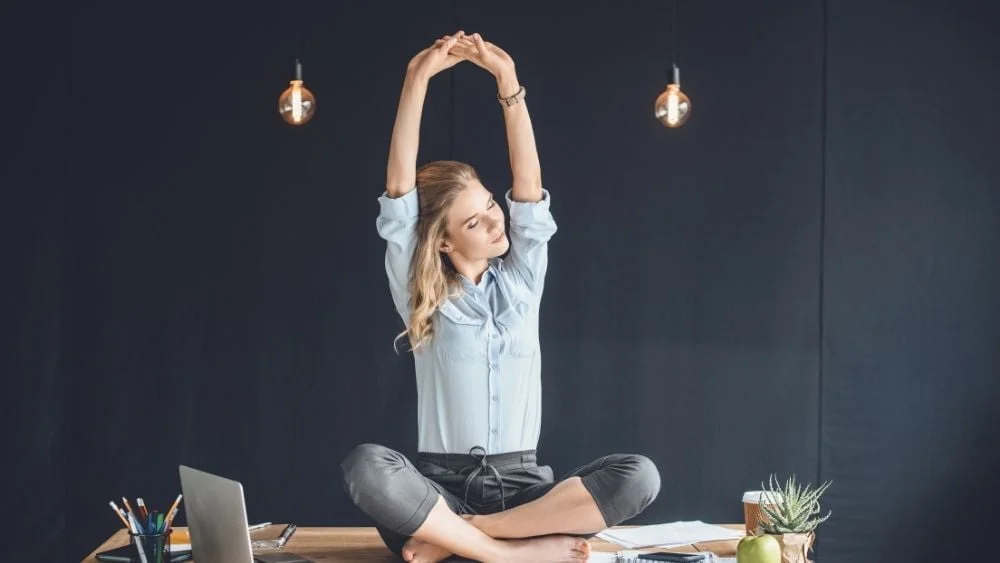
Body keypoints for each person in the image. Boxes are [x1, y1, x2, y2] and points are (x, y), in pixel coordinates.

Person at [341, 30, 661, 563]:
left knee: (638, 476)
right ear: (443, 240)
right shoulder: (423, 293)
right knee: (365, 466)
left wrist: (508, 83)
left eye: (491, 203)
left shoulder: (522, 278)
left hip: (524, 487)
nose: (496, 220)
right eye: (474, 219)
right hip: (437, 488)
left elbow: (528, 183)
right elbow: (399, 193)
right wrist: (416, 78)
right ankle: (512, 552)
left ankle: (471, 537)